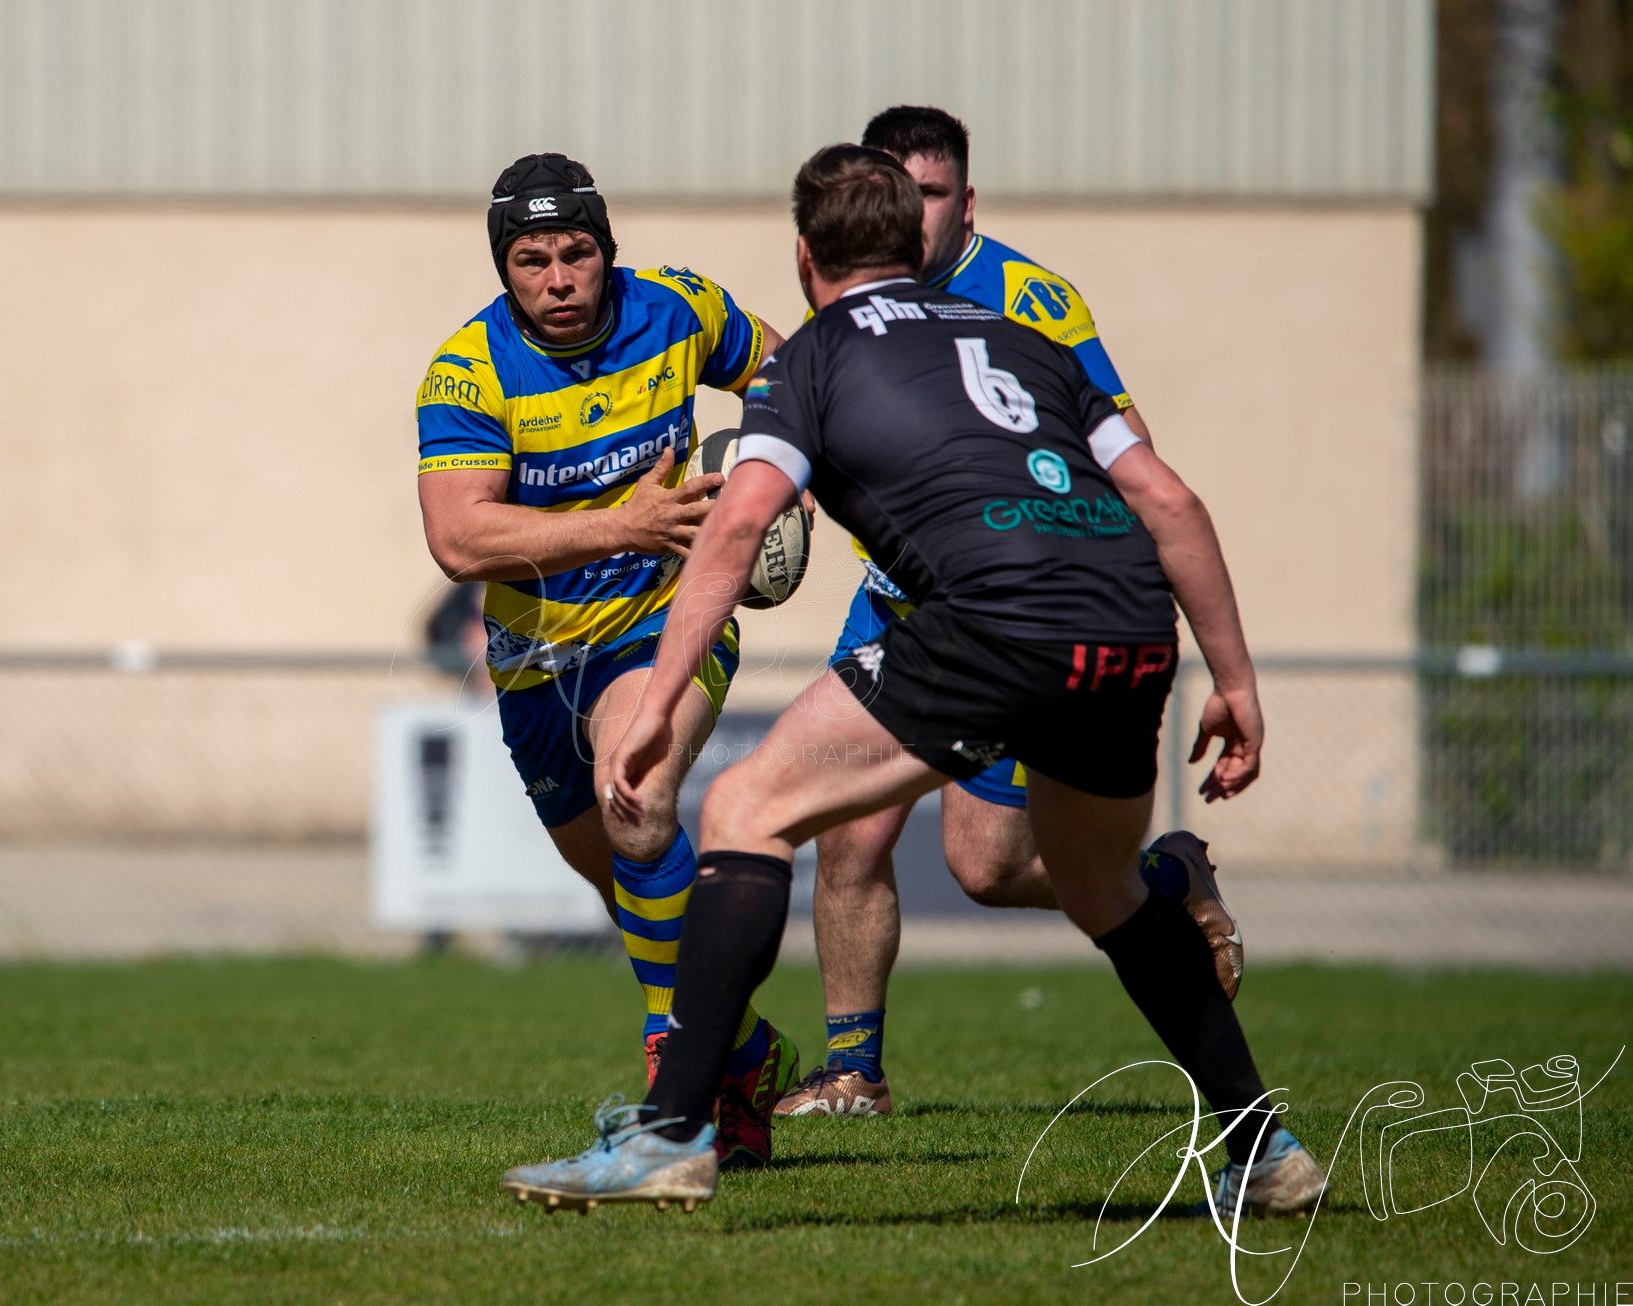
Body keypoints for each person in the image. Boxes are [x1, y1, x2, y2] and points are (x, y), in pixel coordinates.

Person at [501, 145, 1325, 1217]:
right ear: (918, 241)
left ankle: (667, 1136)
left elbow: (739, 519)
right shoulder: (1027, 341)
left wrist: (654, 701)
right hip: (1126, 619)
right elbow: (1168, 500)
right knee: (1101, 885)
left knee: (748, 807)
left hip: (994, 617)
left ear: (807, 258)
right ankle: (1265, 1150)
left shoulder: (816, 358)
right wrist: (1238, 680)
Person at [777, 107, 1241, 1119]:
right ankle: (854, 1070)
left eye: (932, 193)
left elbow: (1132, 445)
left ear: (966, 202)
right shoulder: (849, 292)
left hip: (1013, 606)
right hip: (900, 602)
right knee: (847, 831)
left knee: (985, 865)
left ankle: (1162, 884)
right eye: (894, 189)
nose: (911, 211)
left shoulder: (1030, 298)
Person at [415, 153, 800, 1167]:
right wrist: (622, 522)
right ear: (505, 268)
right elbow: (459, 540)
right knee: (629, 886)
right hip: (536, 658)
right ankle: (747, 1057)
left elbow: (788, 371)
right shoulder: (469, 370)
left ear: (606, 250)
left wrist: (772, 470)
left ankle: (676, 1075)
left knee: (636, 798)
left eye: (577, 251)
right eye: (532, 259)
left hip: (664, 621)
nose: (558, 277)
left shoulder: (677, 309)